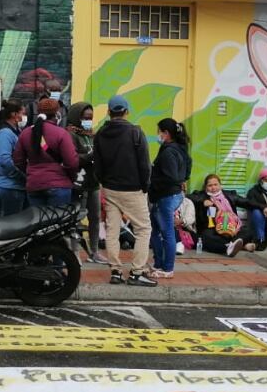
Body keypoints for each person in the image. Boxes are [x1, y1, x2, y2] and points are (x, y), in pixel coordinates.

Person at [94, 95, 155, 287]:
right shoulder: (136, 132)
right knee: (143, 229)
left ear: (108, 112)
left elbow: (98, 165)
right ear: (126, 111)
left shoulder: (101, 133)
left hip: (110, 189)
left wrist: (104, 183)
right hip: (133, 189)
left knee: (112, 230)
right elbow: (145, 164)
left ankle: (116, 271)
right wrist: (145, 186)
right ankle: (137, 272)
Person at [12, 98, 78, 208]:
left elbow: (18, 160)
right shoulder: (61, 133)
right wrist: (70, 177)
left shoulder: (26, 133)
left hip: (34, 185)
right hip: (59, 185)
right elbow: (72, 162)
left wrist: (30, 172)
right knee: (59, 223)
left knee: (38, 223)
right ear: (57, 113)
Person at [148, 118, 191, 278]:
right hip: (169, 195)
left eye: (159, 132)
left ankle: (167, 268)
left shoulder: (168, 152)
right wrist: (182, 180)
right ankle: (159, 264)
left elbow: (170, 176)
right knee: (157, 231)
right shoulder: (180, 148)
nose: (158, 135)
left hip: (165, 196)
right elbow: (187, 168)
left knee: (166, 232)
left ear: (166, 133)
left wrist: (153, 180)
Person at [67, 102, 103, 263]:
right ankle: (74, 252)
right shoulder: (70, 135)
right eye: (85, 117)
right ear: (76, 117)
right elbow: (74, 159)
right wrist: (91, 156)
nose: (88, 121)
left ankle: (94, 251)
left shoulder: (91, 135)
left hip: (94, 182)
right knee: (76, 219)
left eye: (91, 118)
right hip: (78, 183)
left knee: (95, 217)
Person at [189, 174, 255, 257]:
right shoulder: (201, 195)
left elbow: (247, 202)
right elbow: (187, 197)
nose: (213, 188)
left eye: (215, 184)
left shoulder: (229, 195)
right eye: (210, 185)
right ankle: (234, 246)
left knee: (248, 231)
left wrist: (264, 208)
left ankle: (231, 245)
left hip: (231, 228)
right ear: (205, 187)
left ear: (220, 185)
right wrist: (203, 201)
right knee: (206, 237)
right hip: (212, 229)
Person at [0, 100, 28, 216]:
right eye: (22, 113)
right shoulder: (5, 133)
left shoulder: (17, 132)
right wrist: (21, 176)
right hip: (9, 187)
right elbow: (4, 160)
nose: (24, 116)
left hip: (16, 187)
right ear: (14, 115)